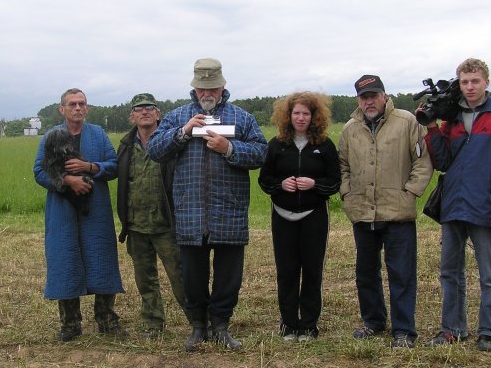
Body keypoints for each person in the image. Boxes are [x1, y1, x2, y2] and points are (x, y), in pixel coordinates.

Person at [147, 58, 268, 351]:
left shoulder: (242, 118)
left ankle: (221, 326)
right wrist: (184, 132)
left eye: (212, 87)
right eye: (202, 89)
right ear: (194, 89)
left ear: (223, 86)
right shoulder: (178, 117)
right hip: (190, 212)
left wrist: (230, 148)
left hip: (229, 212)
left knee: (229, 277)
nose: (207, 94)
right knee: (192, 276)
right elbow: (154, 150)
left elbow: (262, 153)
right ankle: (198, 327)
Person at [423, 58, 491, 351]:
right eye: (465, 82)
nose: (469, 87)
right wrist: (432, 126)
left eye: (475, 81)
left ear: (486, 82)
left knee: (489, 274)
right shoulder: (452, 119)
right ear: (459, 83)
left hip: (487, 205)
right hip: (454, 204)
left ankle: (489, 332)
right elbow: (442, 161)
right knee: (449, 271)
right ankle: (452, 330)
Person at [338, 75, 432, 348]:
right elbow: (342, 165)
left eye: (374, 95)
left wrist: (411, 192)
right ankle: (373, 322)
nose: (369, 101)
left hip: (397, 213)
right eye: (364, 97)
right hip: (363, 213)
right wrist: (347, 194)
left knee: (401, 273)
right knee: (366, 272)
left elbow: (423, 161)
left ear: (384, 96)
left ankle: (404, 331)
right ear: (359, 100)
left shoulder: (406, 122)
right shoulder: (350, 129)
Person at [33, 88, 124, 342]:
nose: (77, 108)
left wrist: (90, 167)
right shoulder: (51, 136)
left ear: (87, 108)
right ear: (61, 109)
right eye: (72, 104)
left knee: (101, 259)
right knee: (65, 261)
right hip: (62, 210)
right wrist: (67, 181)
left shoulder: (98, 134)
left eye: (82, 104)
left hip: (95, 209)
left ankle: (106, 319)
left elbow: (114, 165)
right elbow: (39, 172)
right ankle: (70, 324)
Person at [258, 92, 341, 342]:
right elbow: (264, 180)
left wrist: (314, 184)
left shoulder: (325, 146)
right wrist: (281, 185)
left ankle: (308, 325)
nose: (301, 118)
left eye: (306, 113)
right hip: (282, 216)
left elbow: (335, 182)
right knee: (287, 270)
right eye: (297, 113)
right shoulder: (276, 145)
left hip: (314, 216)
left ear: (314, 116)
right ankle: (289, 324)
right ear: (288, 116)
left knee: (312, 270)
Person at [117, 93, 187, 338]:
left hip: (167, 224)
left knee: (181, 278)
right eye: (139, 109)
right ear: (132, 116)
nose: (144, 112)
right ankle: (153, 325)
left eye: (149, 108)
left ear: (159, 114)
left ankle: (199, 323)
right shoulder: (126, 146)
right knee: (145, 281)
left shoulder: (170, 144)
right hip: (136, 225)